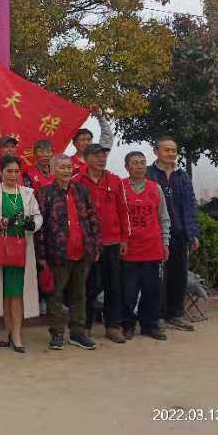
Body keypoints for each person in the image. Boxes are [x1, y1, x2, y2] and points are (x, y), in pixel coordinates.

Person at [35, 154, 100, 351]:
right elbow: (40, 228)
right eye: (61, 167)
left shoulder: (82, 191)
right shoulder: (45, 193)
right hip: (57, 253)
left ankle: (78, 333)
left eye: (68, 167)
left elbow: (92, 220)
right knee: (55, 294)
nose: (66, 170)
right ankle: (57, 333)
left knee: (79, 294)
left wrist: (95, 246)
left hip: (83, 252)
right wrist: (42, 256)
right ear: (53, 170)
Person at [0, 155, 42, 353]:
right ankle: (7, 331)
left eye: (17, 171)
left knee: (16, 293)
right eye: (9, 171)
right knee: (4, 293)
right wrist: (4, 221)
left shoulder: (27, 193)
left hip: (22, 248)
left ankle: (17, 334)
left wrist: (33, 224)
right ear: (1, 172)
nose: (13, 175)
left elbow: (37, 215)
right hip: (1, 247)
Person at [75, 144, 130, 343]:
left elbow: (123, 211)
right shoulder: (77, 181)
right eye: (97, 156)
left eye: (103, 156)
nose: (101, 159)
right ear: (86, 158)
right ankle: (85, 326)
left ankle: (113, 326)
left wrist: (124, 238)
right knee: (88, 285)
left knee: (113, 285)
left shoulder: (115, 181)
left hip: (113, 242)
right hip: (88, 243)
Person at [146, 135, 200, 332]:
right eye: (166, 150)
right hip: (156, 235)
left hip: (178, 234)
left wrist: (192, 233)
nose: (171, 153)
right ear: (156, 152)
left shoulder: (182, 175)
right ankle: (156, 316)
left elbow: (190, 205)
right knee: (157, 278)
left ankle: (175, 314)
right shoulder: (148, 173)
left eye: (173, 150)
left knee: (179, 276)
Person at [122, 152, 170, 341]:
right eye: (135, 163)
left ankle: (150, 325)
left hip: (153, 248)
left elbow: (164, 218)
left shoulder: (155, 188)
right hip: (129, 250)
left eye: (142, 163)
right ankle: (127, 325)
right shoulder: (122, 188)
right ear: (127, 167)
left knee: (152, 290)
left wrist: (165, 242)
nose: (140, 166)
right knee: (128, 292)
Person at [69, 109, 114, 177]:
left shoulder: (98, 155)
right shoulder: (68, 162)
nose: (86, 143)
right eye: (82, 140)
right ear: (74, 143)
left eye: (89, 140)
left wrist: (100, 117)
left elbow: (107, 137)